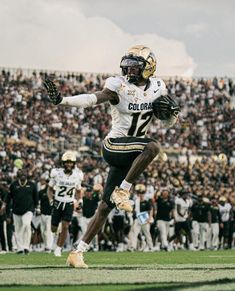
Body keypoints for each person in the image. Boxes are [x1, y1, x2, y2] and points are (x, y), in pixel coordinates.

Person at [43, 45, 180, 267]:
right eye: (128, 67)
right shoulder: (118, 85)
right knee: (153, 147)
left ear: (148, 67)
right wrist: (62, 100)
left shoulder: (158, 86)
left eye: (135, 67)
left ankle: (77, 252)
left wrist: (172, 116)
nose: (130, 71)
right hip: (114, 146)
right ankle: (123, 192)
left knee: (105, 207)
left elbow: (166, 121)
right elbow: (92, 98)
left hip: (133, 151)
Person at [47, 150, 84, 257]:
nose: (69, 164)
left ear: (74, 164)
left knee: (65, 227)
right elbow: (49, 189)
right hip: (58, 202)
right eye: (67, 162)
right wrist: (51, 199)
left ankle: (58, 248)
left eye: (71, 162)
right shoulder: (57, 174)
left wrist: (80, 200)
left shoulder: (77, 175)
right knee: (53, 228)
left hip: (69, 204)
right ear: (63, 163)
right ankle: (57, 238)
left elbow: (78, 190)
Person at [7, 169, 38, 254]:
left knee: (26, 224)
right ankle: (20, 248)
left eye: (24, 173)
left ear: (27, 174)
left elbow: (36, 198)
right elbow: (9, 198)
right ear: (18, 175)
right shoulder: (13, 185)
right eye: (21, 173)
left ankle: (26, 246)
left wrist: (37, 207)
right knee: (17, 229)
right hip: (16, 210)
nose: (23, 175)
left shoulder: (32, 185)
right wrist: (7, 210)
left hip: (28, 209)